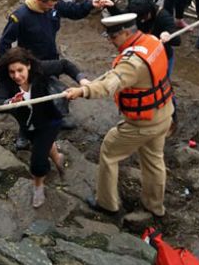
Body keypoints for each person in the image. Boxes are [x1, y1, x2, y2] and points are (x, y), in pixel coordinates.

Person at [64, 13, 174, 219]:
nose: (111, 42)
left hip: (143, 122)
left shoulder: (132, 64)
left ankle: (107, 203)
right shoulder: (151, 40)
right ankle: (154, 206)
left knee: (109, 151)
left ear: (126, 33)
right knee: (154, 160)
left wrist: (81, 91)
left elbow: (110, 85)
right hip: (164, 114)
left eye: (114, 37)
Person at [0, 0, 108, 144]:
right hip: (30, 64)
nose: (52, 9)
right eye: (49, 5)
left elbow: (73, 11)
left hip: (51, 57)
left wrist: (90, 4)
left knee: (52, 91)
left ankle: (57, 117)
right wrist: (11, 68)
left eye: (54, 5)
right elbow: (4, 44)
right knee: (28, 100)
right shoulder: (20, 16)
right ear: (39, 0)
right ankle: (24, 131)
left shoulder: (54, 6)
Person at [0, 48, 82, 208]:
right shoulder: (5, 81)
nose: (16, 76)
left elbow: (64, 65)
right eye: (12, 72)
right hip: (27, 123)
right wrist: (10, 102)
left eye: (20, 70)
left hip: (50, 119)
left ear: (28, 66)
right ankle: (58, 157)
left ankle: (38, 185)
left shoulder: (40, 69)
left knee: (37, 160)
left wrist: (83, 81)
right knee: (42, 143)